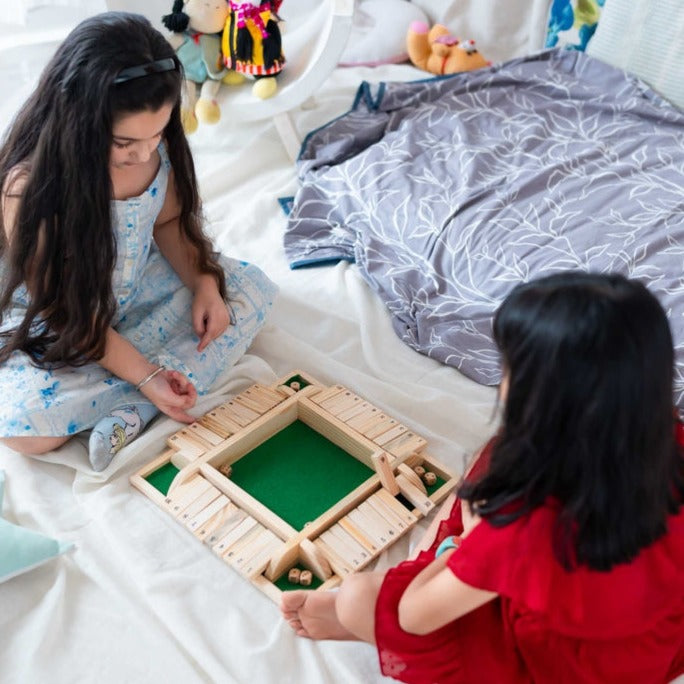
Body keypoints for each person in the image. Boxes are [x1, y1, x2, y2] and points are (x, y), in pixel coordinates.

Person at [282, 272, 684, 683]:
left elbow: (414, 616)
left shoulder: (523, 524)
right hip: (645, 645)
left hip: (556, 665)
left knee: (356, 598)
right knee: (491, 466)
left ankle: (401, 587)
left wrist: (471, 540)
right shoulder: (667, 436)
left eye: (511, 368)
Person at [0, 12, 277, 471]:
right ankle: (147, 390)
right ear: (78, 120)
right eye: (125, 142)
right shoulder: (30, 187)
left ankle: (136, 406)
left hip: (138, 285)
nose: (145, 153)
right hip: (66, 317)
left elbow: (169, 225)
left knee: (251, 293)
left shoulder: (152, 148)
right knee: (22, 428)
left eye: (157, 134)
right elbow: (65, 310)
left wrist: (205, 285)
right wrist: (146, 374)